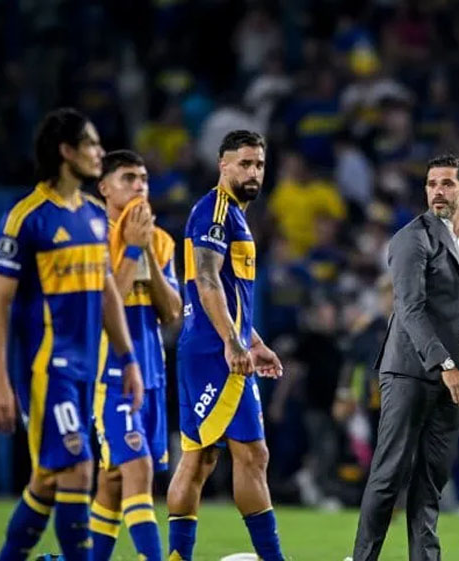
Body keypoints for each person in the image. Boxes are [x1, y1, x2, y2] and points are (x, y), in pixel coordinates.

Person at [0, 108, 145, 561]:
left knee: (47, 481)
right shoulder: (26, 218)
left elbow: (108, 293)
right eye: (91, 143)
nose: (100, 152)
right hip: (47, 369)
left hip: (86, 368)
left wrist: (128, 359)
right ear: (67, 152)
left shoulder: (94, 216)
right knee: (79, 468)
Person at [349, 155, 459, 561]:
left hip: (455, 372)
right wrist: (445, 364)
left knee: (431, 480)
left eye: (447, 184)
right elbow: (410, 309)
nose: (438, 191)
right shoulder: (411, 238)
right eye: (432, 184)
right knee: (389, 476)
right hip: (410, 371)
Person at [166, 130, 286, 561]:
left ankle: (178, 556)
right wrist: (233, 343)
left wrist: (253, 341)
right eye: (244, 163)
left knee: (200, 458)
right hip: (215, 351)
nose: (253, 172)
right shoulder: (217, 210)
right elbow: (206, 278)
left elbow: (230, 294)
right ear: (223, 165)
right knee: (250, 455)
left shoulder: (233, 213)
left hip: (214, 345)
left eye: (259, 164)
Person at [91, 150, 182, 561]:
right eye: (128, 178)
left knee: (113, 481)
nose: (140, 186)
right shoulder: (93, 236)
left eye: (143, 178)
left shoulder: (159, 241)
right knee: (138, 468)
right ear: (104, 187)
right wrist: (130, 250)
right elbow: (106, 305)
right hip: (110, 373)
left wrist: (146, 253)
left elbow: (172, 311)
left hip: (152, 374)